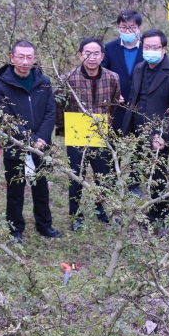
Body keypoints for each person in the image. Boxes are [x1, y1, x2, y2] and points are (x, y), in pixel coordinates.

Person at [0, 40, 61, 243]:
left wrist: (41, 138)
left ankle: (44, 225)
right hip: (16, 145)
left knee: (41, 187)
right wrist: (30, 140)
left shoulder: (44, 81)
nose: (25, 61)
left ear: (35, 59)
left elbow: (51, 111)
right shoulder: (1, 84)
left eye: (29, 57)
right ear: (12, 57)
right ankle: (15, 229)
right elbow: (5, 118)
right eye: (20, 57)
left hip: (42, 145)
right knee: (15, 191)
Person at [122, 29, 169, 235]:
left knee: (157, 176)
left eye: (155, 47)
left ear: (163, 49)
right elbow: (137, 97)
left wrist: (162, 135)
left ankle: (162, 216)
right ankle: (150, 212)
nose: (150, 50)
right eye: (147, 47)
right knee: (139, 170)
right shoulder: (140, 67)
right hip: (139, 130)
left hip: (158, 136)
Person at [55, 38, 121, 231]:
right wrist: (63, 128)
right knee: (77, 177)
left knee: (104, 176)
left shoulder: (112, 78)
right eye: (87, 53)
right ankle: (76, 216)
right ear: (80, 55)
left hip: (100, 131)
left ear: (102, 56)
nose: (92, 58)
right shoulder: (68, 78)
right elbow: (59, 105)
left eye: (96, 54)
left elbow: (114, 103)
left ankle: (103, 211)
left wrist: (106, 122)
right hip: (76, 131)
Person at [101, 9, 145, 196]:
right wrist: (111, 94)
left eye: (131, 27)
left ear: (139, 28)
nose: (126, 31)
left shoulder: (148, 48)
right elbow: (103, 74)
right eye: (122, 27)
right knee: (114, 142)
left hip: (141, 105)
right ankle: (112, 179)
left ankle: (134, 182)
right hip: (116, 106)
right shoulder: (110, 48)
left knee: (139, 144)